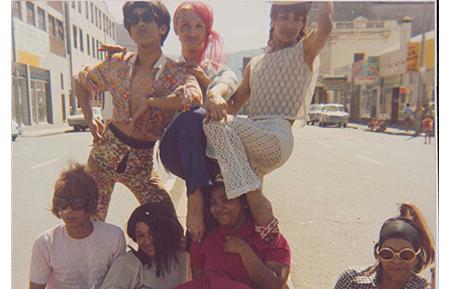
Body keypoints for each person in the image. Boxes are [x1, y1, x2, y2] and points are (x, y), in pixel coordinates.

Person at [102, 1, 239, 242]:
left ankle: (198, 253)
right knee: (193, 117)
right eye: (185, 25)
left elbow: (227, 88)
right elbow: (138, 66)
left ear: (207, 30)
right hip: (175, 153)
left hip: (211, 160)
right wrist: (125, 57)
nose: (192, 32)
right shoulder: (168, 70)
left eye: (199, 26)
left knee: (214, 225)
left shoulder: (219, 70)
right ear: (174, 29)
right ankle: (194, 199)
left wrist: (210, 88)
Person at [202, 1, 333, 240]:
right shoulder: (255, 64)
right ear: (273, 21)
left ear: (304, 23)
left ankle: (254, 198)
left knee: (212, 125)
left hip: (275, 136)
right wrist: (211, 96)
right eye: (284, 17)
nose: (290, 24)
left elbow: (325, 26)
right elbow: (233, 105)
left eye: (297, 19)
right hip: (250, 143)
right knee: (246, 219)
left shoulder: (304, 51)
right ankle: (259, 235)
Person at [74, 1, 202, 221]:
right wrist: (89, 119)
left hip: (142, 162)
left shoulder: (175, 73)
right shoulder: (117, 64)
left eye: (147, 18)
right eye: (133, 21)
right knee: (90, 224)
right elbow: (81, 81)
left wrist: (154, 103)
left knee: (167, 222)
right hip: (105, 153)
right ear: (130, 31)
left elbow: (193, 98)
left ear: (162, 28)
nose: (139, 24)